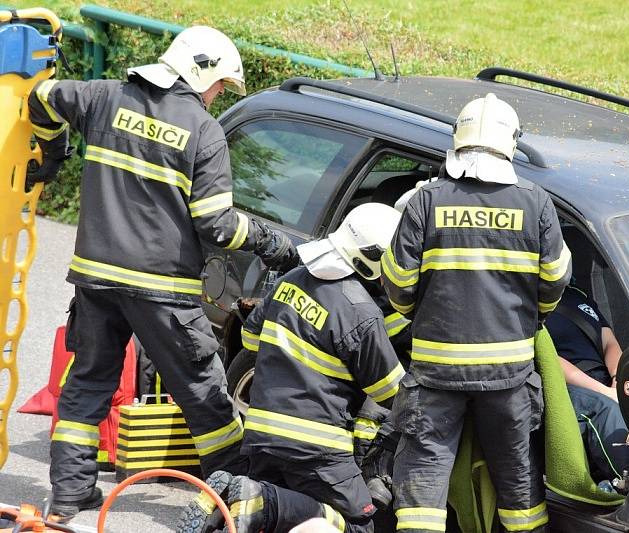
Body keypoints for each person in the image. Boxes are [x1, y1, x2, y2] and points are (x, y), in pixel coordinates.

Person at [26, 26, 297, 519]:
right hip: (162, 289)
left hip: (95, 277)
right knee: (205, 394)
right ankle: (232, 502)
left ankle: (67, 496)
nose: (217, 97)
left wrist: (52, 152)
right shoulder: (202, 129)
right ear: (202, 72)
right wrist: (270, 243)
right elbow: (216, 224)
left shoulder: (104, 96)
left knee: (88, 384)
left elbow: (41, 96)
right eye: (220, 86)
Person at [382, 93, 571, 533]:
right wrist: (530, 320)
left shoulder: (425, 202)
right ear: (510, 145)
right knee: (518, 484)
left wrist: (420, 315)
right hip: (508, 374)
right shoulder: (536, 203)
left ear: (458, 141)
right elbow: (556, 280)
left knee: (422, 487)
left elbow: (398, 283)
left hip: (436, 374)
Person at [178, 203, 405, 533]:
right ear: (374, 259)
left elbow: (251, 339)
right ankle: (265, 501)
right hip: (317, 446)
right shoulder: (360, 311)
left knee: (264, 519)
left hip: (261, 433)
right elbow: (389, 392)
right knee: (360, 524)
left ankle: (232, 503)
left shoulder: (290, 281)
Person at [547, 285, 629, 484]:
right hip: (563, 383)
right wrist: (605, 392)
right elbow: (548, 359)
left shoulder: (578, 296)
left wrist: (618, 380)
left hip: (605, 377)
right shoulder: (529, 301)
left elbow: (610, 343)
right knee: (606, 410)